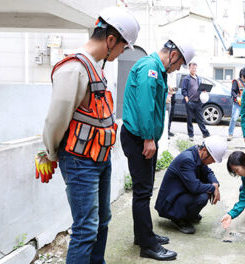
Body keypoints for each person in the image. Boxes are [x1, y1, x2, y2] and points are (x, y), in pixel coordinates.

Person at [41, 6, 140, 263]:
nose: (121, 53)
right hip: (78, 160)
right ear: (110, 40)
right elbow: (56, 119)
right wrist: (50, 153)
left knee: (102, 221)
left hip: (98, 157)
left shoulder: (94, 67)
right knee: (86, 229)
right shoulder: (75, 68)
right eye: (122, 47)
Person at [120, 39, 195, 261]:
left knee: (144, 191)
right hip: (139, 138)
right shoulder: (150, 69)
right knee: (142, 193)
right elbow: (145, 106)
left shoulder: (156, 70)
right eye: (179, 63)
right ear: (173, 54)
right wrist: (148, 138)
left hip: (144, 137)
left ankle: (143, 235)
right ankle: (148, 246)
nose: (178, 68)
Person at [155, 136, 227, 234]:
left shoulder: (197, 154)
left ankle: (188, 215)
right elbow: (195, 187)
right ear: (204, 150)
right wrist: (212, 188)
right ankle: (178, 218)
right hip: (169, 204)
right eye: (213, 158)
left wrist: (215, 185)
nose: (213, 162)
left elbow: (208, 173)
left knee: (207, 188)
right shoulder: (187, 160)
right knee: (203, 196)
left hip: (180, 193)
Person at [181, 62, 210, 141]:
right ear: (189, 68)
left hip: (198, 102)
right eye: (192, 68)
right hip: (190, 102)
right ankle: (191, 135)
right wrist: (186, 99)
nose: (193, 69)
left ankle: (205, 133)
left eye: (195, 68)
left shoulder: (199, 78)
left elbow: (201, 88)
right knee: (189, 119)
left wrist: (204, 91)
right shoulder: (186, 79)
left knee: (200, 119)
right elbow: (183, 90)